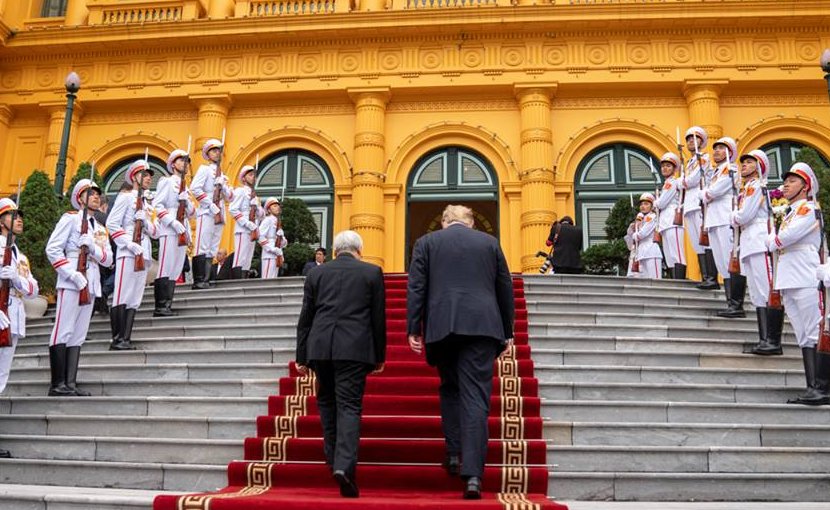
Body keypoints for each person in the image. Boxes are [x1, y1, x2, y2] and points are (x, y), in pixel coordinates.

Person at [406, 204, 514, 500]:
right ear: (471, 224)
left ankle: (454, 453)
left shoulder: (426, 243)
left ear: (444, 222)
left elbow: (416, 287)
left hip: (441, 327)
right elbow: (505, 287)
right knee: (476, 396)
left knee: (450, 388)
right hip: (482, 326)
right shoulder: (489, 243)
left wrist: (414, 327)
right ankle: (474, 476)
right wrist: (508, 332)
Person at [295, 230, 386, 498]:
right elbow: (378, 318)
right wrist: (379, 355)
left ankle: (333, 457)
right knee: (348, 405)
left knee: (325, 401)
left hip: (320, 346)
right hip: (354, 348)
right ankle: (344, 466)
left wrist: (301, 355)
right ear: (360, 249)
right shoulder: (371, 273)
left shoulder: (316, 274)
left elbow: (306, 317)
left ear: (335, 251)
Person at [46, 179, 113, 394]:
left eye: (97, 193)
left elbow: (108, 260)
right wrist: (72, 275)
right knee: (63, 330)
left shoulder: (101, 229)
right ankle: (57, 384)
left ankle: (70, 383)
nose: (95, 196)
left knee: (79, 333)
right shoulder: (70, 219)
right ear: (79, 198)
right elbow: (53, 249)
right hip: (72, 279)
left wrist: (92, 247)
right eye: (90, 193)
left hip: (91, 281)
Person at [766, 163, 825, 405]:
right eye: (786, 180)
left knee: (813, 330)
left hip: (805, 275)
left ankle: (822, 387)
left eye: (793, 180)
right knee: (802, 334)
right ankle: (812, 386)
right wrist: (775, 240)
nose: (786, 185)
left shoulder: (808, 209)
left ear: (806, 186)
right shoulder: (789, 212)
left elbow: (783, 239)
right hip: (789, 276)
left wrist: (774, 240)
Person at [0, 196, 40, 455]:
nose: (19, 219)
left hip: (13, 316)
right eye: (13, 215)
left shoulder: (20, 256)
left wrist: (16, 279)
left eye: (20, 215)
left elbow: (34, 288)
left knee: (1, 380)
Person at [107, 160, 159, 351]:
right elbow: (112, 224)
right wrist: (129, 244)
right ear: (135, 177)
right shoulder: (126, 197)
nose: (148, 179)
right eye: (144, 175)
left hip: (143, 252)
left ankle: (126, 338)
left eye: (149, 177)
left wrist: (145, 223)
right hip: (128, 252)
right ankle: (117, 338)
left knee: (135, 297)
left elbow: (155, 232)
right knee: (122, 294)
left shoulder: (148, 204)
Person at [735, 150, 782, 355]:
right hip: (749, 243)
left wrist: (732, 215)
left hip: (759, 240)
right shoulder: (746, 189)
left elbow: (745, 215)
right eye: (743, 162)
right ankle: (764, 339)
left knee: (765, 291)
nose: (744, 164)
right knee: (756, 294)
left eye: (749, 162)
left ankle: (773, 341)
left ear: (759, 166)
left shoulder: (757, 187)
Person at [704, 137, 745, 317]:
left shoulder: (731, 169)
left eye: (721, 148)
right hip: (713, 219)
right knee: (722, 264)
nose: (717, 152)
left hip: (725, 218)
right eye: (716, 149)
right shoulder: (715, 172)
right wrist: (706, 194)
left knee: (732, 262)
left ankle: (737, 304)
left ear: (730, 152)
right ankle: (730, 302)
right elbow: (709, 193)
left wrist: (704, 194)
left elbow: (714, 191)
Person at [152, 148, 194, 317]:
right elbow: (158, 205)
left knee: (176, 267)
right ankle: (160, 305)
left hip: (182, 228)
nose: (185, 163)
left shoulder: (186, 187)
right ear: (173, 164)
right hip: (169, 229)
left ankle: (168, 303)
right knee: (166, 266)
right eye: (181, 160)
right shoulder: (167, 181)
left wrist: (186, 201)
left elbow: (192, 213)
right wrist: (172, 222)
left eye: (187, 161)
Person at [190, 138, 233, 289]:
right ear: (207, 154)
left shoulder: (223, 174)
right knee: (202, 246)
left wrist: (223, 185)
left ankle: (207, 279)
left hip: (220, 212)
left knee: (213, 247)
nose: (217, 153)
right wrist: (210, 205)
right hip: (207, 212)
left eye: (218, 151)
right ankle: (198, 280)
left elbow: (230, 197)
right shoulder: (204, 169)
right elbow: (195, 188)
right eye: (214, 151)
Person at [681, 126, 718, 289]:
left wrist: (681, 182)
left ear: (702, 142)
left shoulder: (703, 158)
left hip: (699, 204)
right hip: (689, 205)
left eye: (694, 139)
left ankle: (712, 278)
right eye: (688, 139)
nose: (690, 141)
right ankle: (705, 276)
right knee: (697, 243)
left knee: (706, 241)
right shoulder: (689, 162)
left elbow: (692, 181)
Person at [654, 152, 686, 279]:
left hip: (673, 220)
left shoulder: (672, 182)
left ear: (674, 169)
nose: (665, 168)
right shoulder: (666, 183)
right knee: (669, 254)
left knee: (677, 253)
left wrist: (656, 202)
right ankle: (674, 279)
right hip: (665, 222)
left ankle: (680, 281)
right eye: (663, 166)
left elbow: (661, 203)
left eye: (668, 166)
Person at [228, 165, 262, 279]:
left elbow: (261, 215)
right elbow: (233, 209)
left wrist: (256, 206)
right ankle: (236, 281)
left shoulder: (255, 196)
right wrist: (247, 223)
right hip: (243, 229)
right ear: (243, 178)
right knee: (240, 256)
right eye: (250, 175)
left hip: (253, 229)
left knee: (248, 257)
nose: (253, 178)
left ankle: (244, 278)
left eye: (254, 175)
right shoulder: (240, 191)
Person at [257, 198, 288, 279]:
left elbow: (284, 244)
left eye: (278, 206)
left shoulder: (278, 221)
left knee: (274, 279)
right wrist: (271, 249)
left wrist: (282, 238)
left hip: (277, 254)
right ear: (269, 210)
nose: (277, 207)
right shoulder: (267, 220)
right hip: (269, 254)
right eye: (274, 206)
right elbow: (259, 236)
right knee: (267, 279)